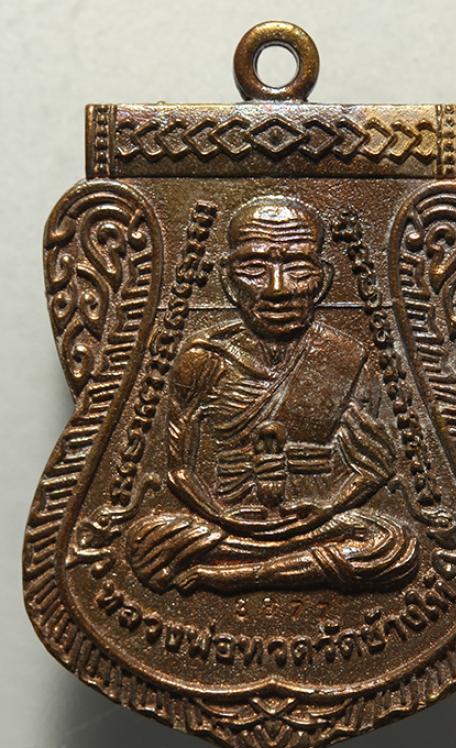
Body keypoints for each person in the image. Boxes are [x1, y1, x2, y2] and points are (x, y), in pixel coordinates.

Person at [127, 196, 418, 593]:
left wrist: (326, 508)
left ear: (323, 281)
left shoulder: (345, 357)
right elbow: (178, 470)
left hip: (315, 522)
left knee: (392, 544)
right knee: (147, 541)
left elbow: (372, 468)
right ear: (228, 282)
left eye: (298, 268)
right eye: (254, 269)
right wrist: (223, 517)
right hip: (226, 524)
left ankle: (245, 573)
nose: (277, 289)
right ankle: (280, 565)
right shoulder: (203, 357)